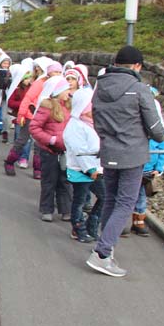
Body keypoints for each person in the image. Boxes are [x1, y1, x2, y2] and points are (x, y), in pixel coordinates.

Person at [87, 45, 164, 277]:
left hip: (109, 151)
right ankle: (101, 253)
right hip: (132, 154)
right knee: (126, 203)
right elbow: (156, 129)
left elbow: (96, 120)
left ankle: (106, 251)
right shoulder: (139, 89)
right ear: (137, 66)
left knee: (111, 199)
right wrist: (155, 135)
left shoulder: (100, 87)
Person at [64, 88, 105, 242]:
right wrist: (90, 169)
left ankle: (92, 224)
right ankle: (78, 227)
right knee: (79, 200)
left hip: (97, 169)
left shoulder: (93, 125)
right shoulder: (75, 126)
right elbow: (79, 151)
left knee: (104, 197)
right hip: (81, 170)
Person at [29, 75, 72, 222]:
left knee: (65, 181)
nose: (69, 92)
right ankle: (47, 209)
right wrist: (51, 139)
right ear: (58, 90)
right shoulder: (46, 107)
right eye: (66, 89)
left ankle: (66, 209)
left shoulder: (68, 105)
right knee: (49, 180)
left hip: (65, 151)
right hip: (49, 151)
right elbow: (34, 127)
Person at [131, 86, 164, 237]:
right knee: (129, 194)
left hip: (147, 169)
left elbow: (162, 151)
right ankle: (128, 220)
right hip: (133, 166)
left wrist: (159, 169)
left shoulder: (157, 133)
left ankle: (138, 219)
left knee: (140, 195)